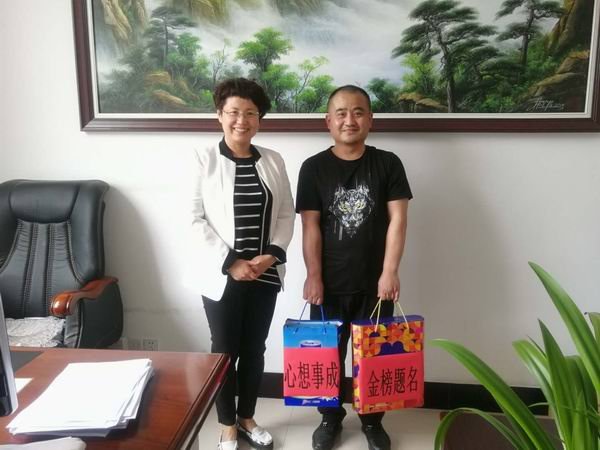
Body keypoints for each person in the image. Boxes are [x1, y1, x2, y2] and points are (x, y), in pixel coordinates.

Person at [295, 85, 412, 450]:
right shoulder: (313, 168)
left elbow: (398, 221)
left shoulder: (388, 163)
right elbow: (310, 226)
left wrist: (390, 271)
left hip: (375, 285)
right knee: (327, 355)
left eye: (358, 112)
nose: (350, 120)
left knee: (374, 355)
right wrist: (313, 276)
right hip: (329, 284)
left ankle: (372, 421)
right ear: (328, 121)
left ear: (370, 120)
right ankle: (329, 419)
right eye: (341, 113)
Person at [191, 78, 295, 450]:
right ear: (219, 115)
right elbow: (192, 219)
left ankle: (247, 417)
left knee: (254, 349)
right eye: (233, 112)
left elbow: (286, 214)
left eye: (250, 113)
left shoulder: (273, 160)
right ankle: (227, 425)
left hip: (264, 273)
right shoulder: (202, 158)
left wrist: (272, 254)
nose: (242, 120)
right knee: (224, 352)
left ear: (259, 119)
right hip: (223, 275)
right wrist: (232, 262)